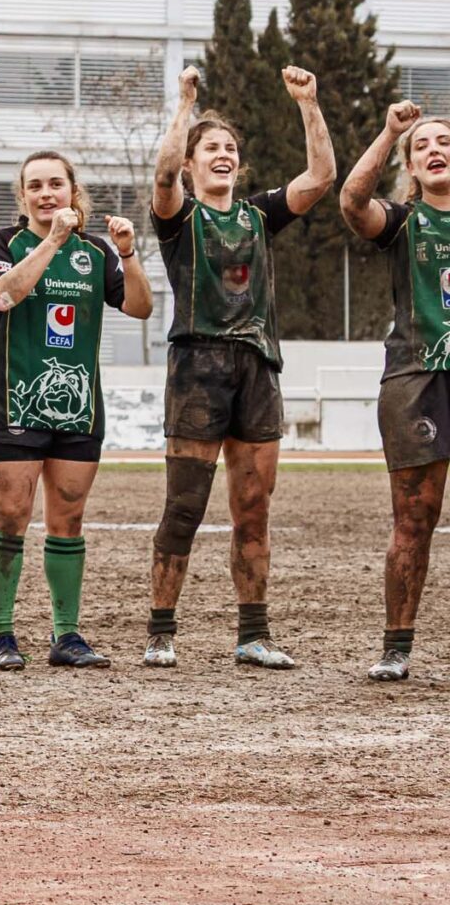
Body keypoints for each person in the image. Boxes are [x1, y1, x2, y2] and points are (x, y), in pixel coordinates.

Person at [143, 63, 333, 669]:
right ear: (195, 164)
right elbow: (163, 171)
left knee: (253, 508)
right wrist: (186, 105)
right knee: (184, 507)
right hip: (197, 366)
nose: (221, 155)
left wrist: (307, 102)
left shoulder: (257, 215)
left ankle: (253, 634)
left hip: (256, 367)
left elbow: (322, 176)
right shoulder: (178, 217)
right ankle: (161, 632)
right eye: (211, 148)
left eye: (229, 148)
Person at [0, 152, 151, 670]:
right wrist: (52, 241)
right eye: (36, 186)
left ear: (74, 191)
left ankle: (66, 635)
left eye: (56, 184)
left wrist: (129, 253)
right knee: (10, 513)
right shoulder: (3, 243)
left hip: (78, 405)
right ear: (23, 196)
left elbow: (141, 308)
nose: (47, 193)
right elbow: (2, 296)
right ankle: (3, 636)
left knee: (68, 517)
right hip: (14, 397)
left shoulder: (95, 252)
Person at [339, 99, 450, 683]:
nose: (435, 150)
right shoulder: (405, 221)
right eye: (423, 146)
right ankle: (397, 646)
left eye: (444, 142)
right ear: (410, 166)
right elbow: (351, 203)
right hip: (417, 375)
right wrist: (388, 133)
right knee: (415, 518)